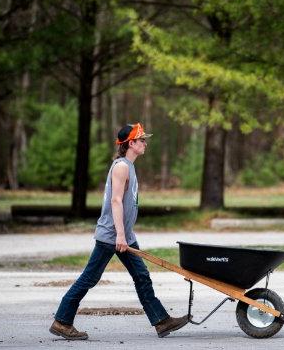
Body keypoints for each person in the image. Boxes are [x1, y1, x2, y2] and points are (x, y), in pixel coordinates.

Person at [49, 123, 189, 340]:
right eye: (141, 140)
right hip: (112, 235)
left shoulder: (129, 166)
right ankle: (62, 321)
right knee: (90, 278)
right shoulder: (121, 166)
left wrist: (126, 234)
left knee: (142, 276)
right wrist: (120, 235)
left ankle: (161, 321)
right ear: (130, 143)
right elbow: (115, 201)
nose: (145, 143)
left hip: (124, 234)